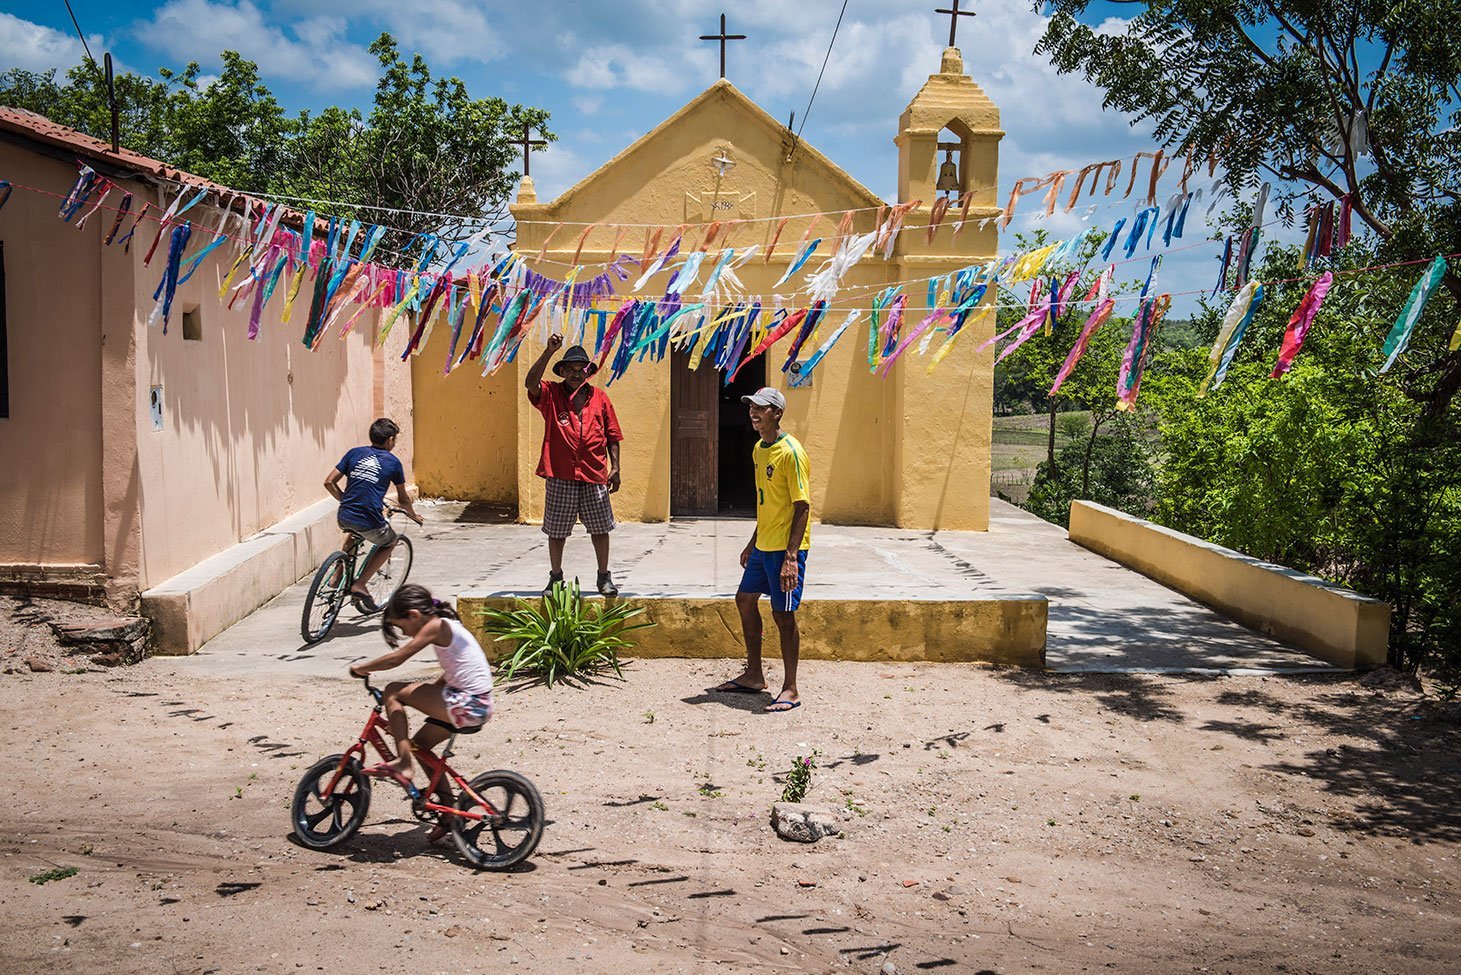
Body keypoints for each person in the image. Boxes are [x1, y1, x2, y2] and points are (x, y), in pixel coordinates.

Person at [348, 584, 494, 840]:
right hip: (476, 704)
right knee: (421, 746)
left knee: (393, 690)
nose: (404, 633)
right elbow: (451, 674)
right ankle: (449, 813)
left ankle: (403, 764)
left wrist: (361, 667)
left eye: (402, 627)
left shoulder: (436, 626)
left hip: (468, 703)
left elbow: (397, 659)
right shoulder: (447, 626)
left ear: (414, 615)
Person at [713, 387, 811, 713]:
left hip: (786, 549)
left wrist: (791, 558)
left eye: (762, 408)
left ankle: (791, 688)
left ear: (777, 413)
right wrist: (752, 542)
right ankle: (755, 675)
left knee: (783, 615)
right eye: (751, 407)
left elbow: (802, 507)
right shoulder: (759, 449)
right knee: (744, 600)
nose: (754, 413)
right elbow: (765, 502)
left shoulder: (792, 452)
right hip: (764, 544)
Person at [525, 333, 624, 597]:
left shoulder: (600, 398)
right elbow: (530, 383)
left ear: (588, 373)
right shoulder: (551, 393)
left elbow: (612, 434)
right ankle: (555, 578)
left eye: (581, 370)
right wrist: (548, 351)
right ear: (563, 372)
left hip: (594, 473)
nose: (576, 375)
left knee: (600, 529)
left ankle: (604, 577)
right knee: (557, 531)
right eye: (571, 369)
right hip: (560, 474)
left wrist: (616, 467)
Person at [325, 417, 423, 613]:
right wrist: (414, 516)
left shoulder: (354, 453)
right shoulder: (393, 463)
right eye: (394, 440)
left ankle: (337, 576)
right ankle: (360, 584)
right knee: (390, 541)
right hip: (369, 519)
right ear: (389, 440)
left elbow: (329, 482)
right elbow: (403, 500)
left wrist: (345, 499)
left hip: (344, 514)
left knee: (353, 532)